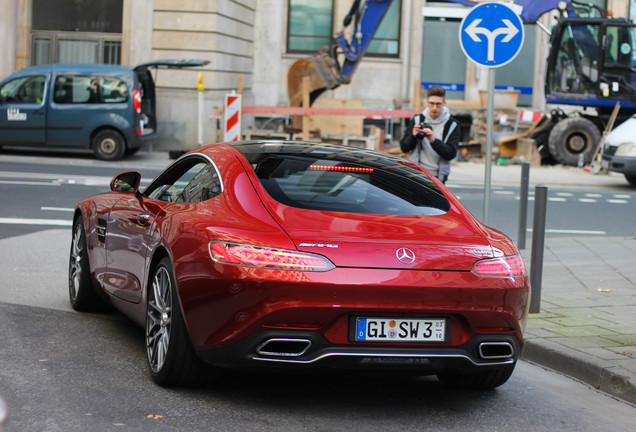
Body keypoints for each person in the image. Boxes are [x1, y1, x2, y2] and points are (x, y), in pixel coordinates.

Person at [400, 85, 461, 184]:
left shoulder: (452, 125)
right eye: (431, 103)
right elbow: (404, 148)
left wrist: (433, 140)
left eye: (438, 104)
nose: (434, 108)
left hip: (438, 177)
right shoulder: (417, 120)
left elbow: (451, 154)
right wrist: (413, 136)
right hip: (416, 173)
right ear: (426, 102)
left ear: (444, 103)